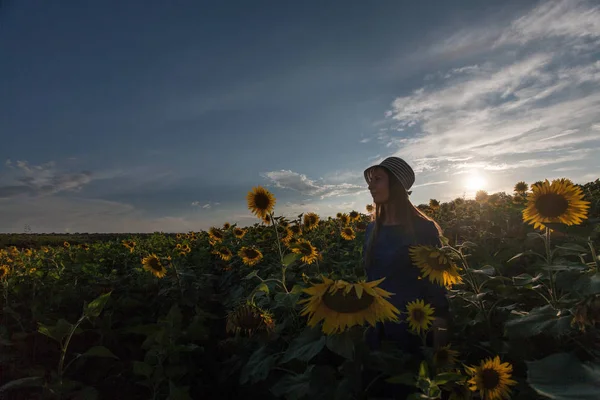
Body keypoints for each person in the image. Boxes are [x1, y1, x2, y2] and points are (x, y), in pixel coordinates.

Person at [362, 157, 450, 398]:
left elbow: (437, 288)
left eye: (377, 179)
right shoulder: (371, 228)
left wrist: (439, 346)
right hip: (376, 329)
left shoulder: (423, 229)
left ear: (397, 185)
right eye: (370, 180)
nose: (371, 185)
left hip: (410, 329)